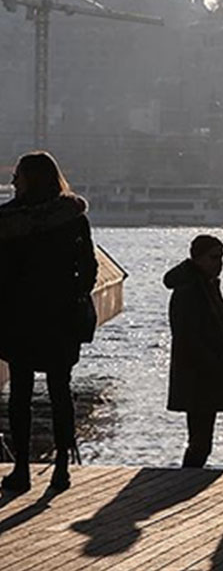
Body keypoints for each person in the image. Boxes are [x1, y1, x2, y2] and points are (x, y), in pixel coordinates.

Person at [0, 152, 97, 494]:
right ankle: (60, 470)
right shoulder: (72, 218)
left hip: (18, 318)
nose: (13, 183)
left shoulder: (8, 221)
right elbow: (88, 269)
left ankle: (22, 470)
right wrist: (73, 295)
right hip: (60, 318)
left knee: (20, 394)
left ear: (29, 180)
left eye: (18, 176)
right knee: (60, 391)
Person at [164, 234, 223, 469]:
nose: (219, 263)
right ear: (198, 258)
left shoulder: (204, 285)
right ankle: (188, 477)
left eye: (221, 257)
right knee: (200, 440)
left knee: (201, 439)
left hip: (203, 374)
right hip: (200, 375)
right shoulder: (191, 290)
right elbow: (188, 335)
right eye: (214, 257)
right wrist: (214, 363)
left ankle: (188, 477)